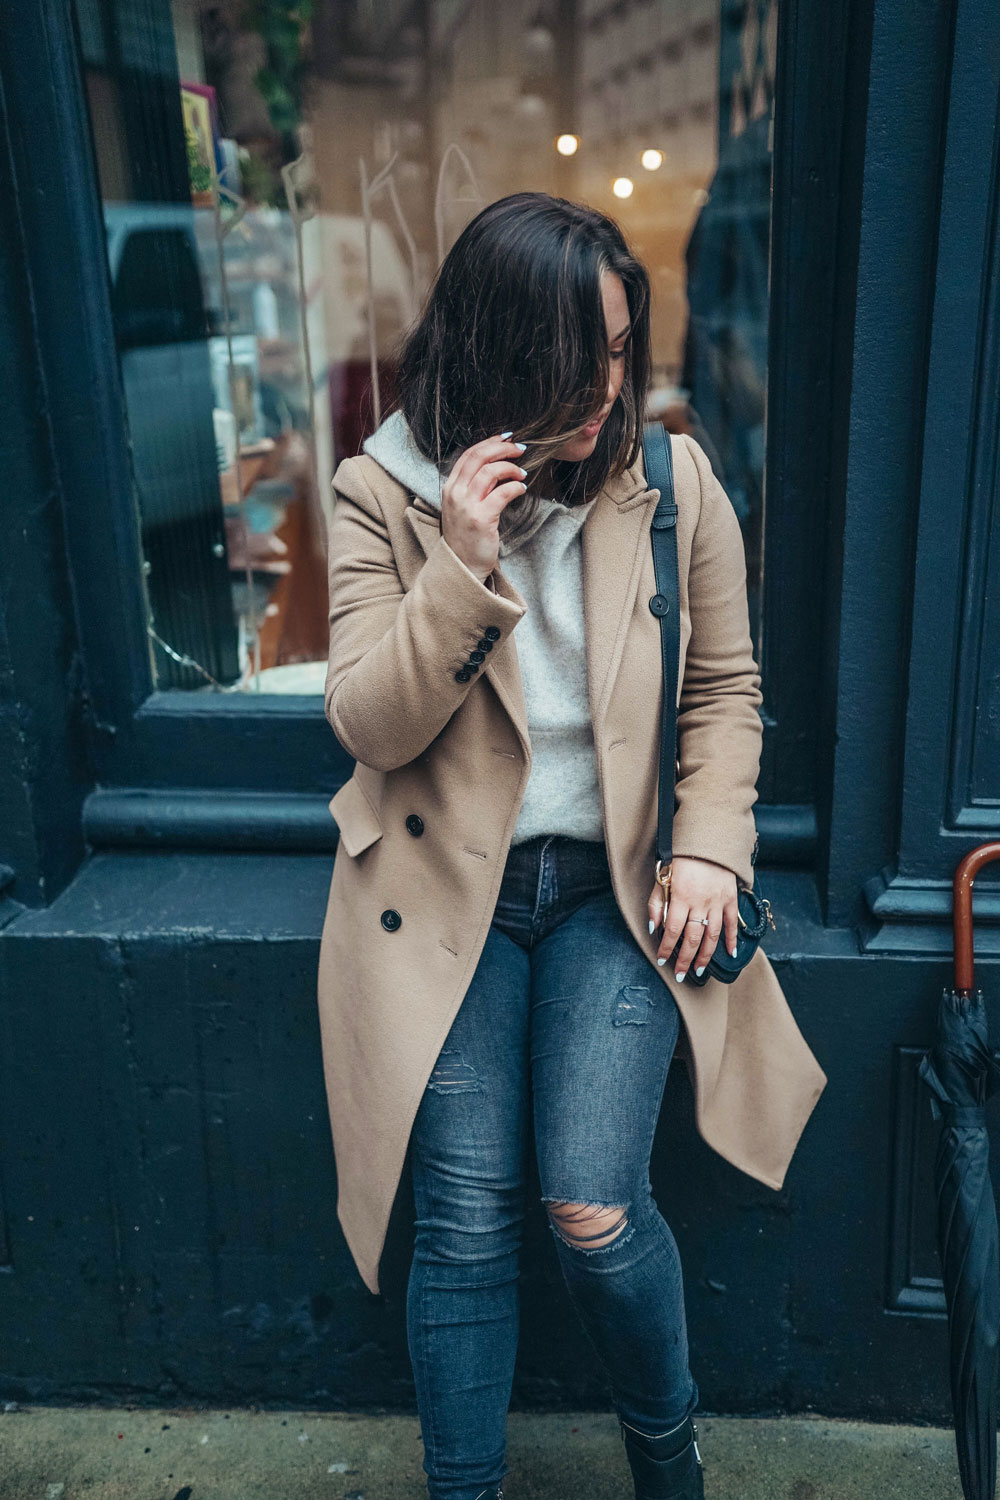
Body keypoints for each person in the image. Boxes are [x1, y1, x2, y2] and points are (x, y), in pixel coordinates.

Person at [317, 191, 828, 1500]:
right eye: (572, 357)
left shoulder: (670, 481)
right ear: (493, 351)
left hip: (616, 891)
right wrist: (461, 567)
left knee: (591, 1209)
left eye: (618, 346)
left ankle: (671, 1463)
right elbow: (371, 725)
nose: (604, 385)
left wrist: (712, 845)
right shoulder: (382, 488)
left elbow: (722, 688)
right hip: (448, 904)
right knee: (467, 1218)